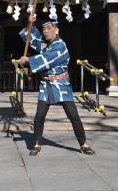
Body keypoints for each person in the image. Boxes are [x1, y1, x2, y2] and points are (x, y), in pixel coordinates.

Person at [19, 15, 95, 156]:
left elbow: (48, 59)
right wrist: (31, 23)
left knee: (73, 116)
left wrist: (28, 59)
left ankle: (83, 144)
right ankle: (37, 143)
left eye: (49, 28)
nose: (45, 31)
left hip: (61, 85)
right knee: (39, 116)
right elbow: (31, 38)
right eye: (44, 28)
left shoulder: (61, 46)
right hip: (46, 85)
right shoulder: (45, 44)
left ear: (56, 30)